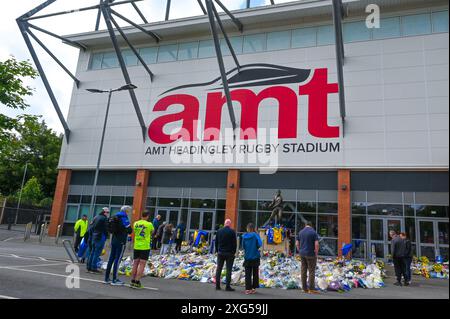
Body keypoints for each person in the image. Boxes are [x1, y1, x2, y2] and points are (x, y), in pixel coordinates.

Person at [104, 206, 132, 285]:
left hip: (114, 240)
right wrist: (127, 230)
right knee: (118, 259)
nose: (129, 213)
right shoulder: (124, 217)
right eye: (128, 211)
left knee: (111, 259)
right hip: (121, 240)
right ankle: (115, 279)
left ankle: (106, 278)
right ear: (126, 211)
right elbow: (130, 230)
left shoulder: (115, 216)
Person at [131, 211, 154, 289]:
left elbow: (134, 232)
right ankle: (137, 282)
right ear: (147, 216)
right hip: (145, 246)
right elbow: (152, 232)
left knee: (135, 263)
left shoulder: (136, 223)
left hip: (137, 245)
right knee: (142, 264)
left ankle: (132, 281)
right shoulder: (149, 224)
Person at [296, 221, 319, 294]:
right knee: (311, 271)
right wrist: (316, 252)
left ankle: (304, 288)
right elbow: (316, 244)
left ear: (305, 225)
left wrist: (300, 250)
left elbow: (297, 243)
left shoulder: (300, 232)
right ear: (311, 226)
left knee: (303, 270)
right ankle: (311, 289)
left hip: (302, 254)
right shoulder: (313, 232)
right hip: (311, 253)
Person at [215, 219, 237, 292]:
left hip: (220, 253)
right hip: (229, 253)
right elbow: (235, 244)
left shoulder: (219, 231)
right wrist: (233, 252)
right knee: (229, 270)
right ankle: (227, 286)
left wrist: (217, 251)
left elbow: (216, 242)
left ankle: (217, 285)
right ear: (230, 224)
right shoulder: (232, 232)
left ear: (224, 224)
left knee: (219, 269)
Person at [87, 207, 109, 274]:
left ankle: (89, 267)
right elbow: (106, 228)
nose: (108, 214)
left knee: (92, 252)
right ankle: (94, 268)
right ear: (104, 212)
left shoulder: (96, 217)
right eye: (107, 212)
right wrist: (106, 235)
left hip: (94, 236)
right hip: (100, 236)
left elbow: (91, 227)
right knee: (97, 253)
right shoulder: (104, 218)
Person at [242, 223, 262, 295]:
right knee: (255, 273)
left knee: (247, 273)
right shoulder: (256, 235)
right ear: (253, 228)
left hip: (247, 256)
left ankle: (248, 289)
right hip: (255, 256)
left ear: (247, 228)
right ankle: (254, 288)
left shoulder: (244, 236)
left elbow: (243, 246)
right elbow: (260, 244)